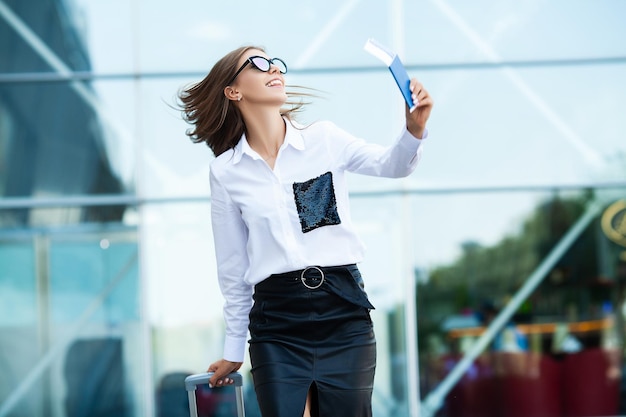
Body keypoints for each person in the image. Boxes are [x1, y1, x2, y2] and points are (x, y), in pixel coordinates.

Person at [178, 45, 433, 417]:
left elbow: (392, 165)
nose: (274, 68)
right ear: (233, 91)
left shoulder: (324, 139)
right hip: (277, 323)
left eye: (276, 62)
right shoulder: (226, 172)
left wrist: (415, 128)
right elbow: (233, 269)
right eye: (258, 63)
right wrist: (233, 350)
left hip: (342, 312)